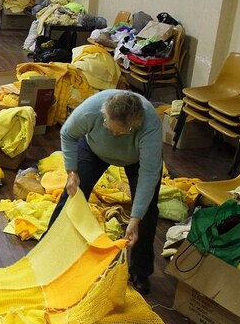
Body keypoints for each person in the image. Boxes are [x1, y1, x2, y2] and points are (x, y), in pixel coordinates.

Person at [44, 89, 162, 295]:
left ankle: (140, 272)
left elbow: (149, 174)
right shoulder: (92, 109)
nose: (114, 135)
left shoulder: (150, 125)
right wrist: (71, 172)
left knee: (147, 212)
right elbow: (68, 134)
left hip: (136, 161)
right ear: (104, 114)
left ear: (134, 125)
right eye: (110, 128)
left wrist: (134, 219)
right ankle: (49, 252)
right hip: (93, 150)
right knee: (72, 195)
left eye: (120, 132)